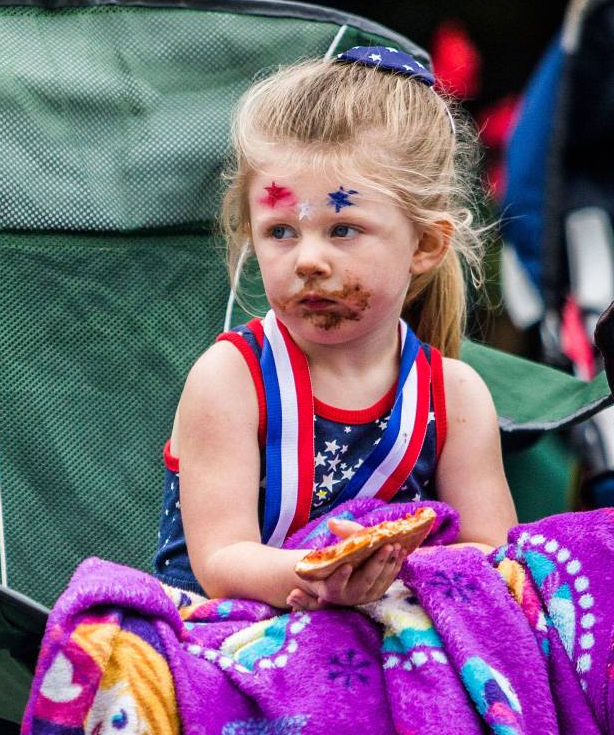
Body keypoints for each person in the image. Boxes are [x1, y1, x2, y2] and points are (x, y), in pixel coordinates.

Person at [153, 46, 518, 612]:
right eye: (279, 232)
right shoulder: (231, 378)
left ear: (424, 245)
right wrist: (321, 575)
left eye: (343, 229)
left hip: (395, 641)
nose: (307, 260)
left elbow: (492, 556)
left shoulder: (454, 395)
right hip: (226, 641)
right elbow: (222, 560)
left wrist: (387, 577)